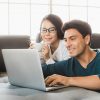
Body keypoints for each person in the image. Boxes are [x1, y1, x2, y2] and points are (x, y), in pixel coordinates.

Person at [42, 20, 100, 90]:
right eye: (66, 40)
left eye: (72, 39)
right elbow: (42, 70)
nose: (67, 45)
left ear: (86, 39)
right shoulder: (68, 65)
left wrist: (67, 80)